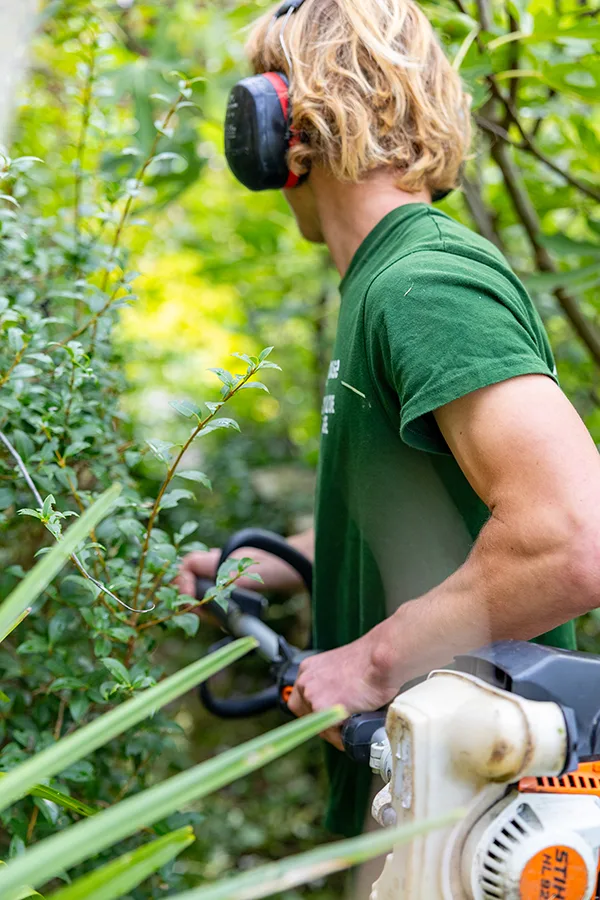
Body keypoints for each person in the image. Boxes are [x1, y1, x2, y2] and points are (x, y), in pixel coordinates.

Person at [178, 0, 600, 893]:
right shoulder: (383, 286)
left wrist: (367, 665)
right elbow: (436, 531)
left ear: (279, 122)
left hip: (483, 829)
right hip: (430, 804)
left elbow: (572, 539)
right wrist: (256, 569)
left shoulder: (422, 281)